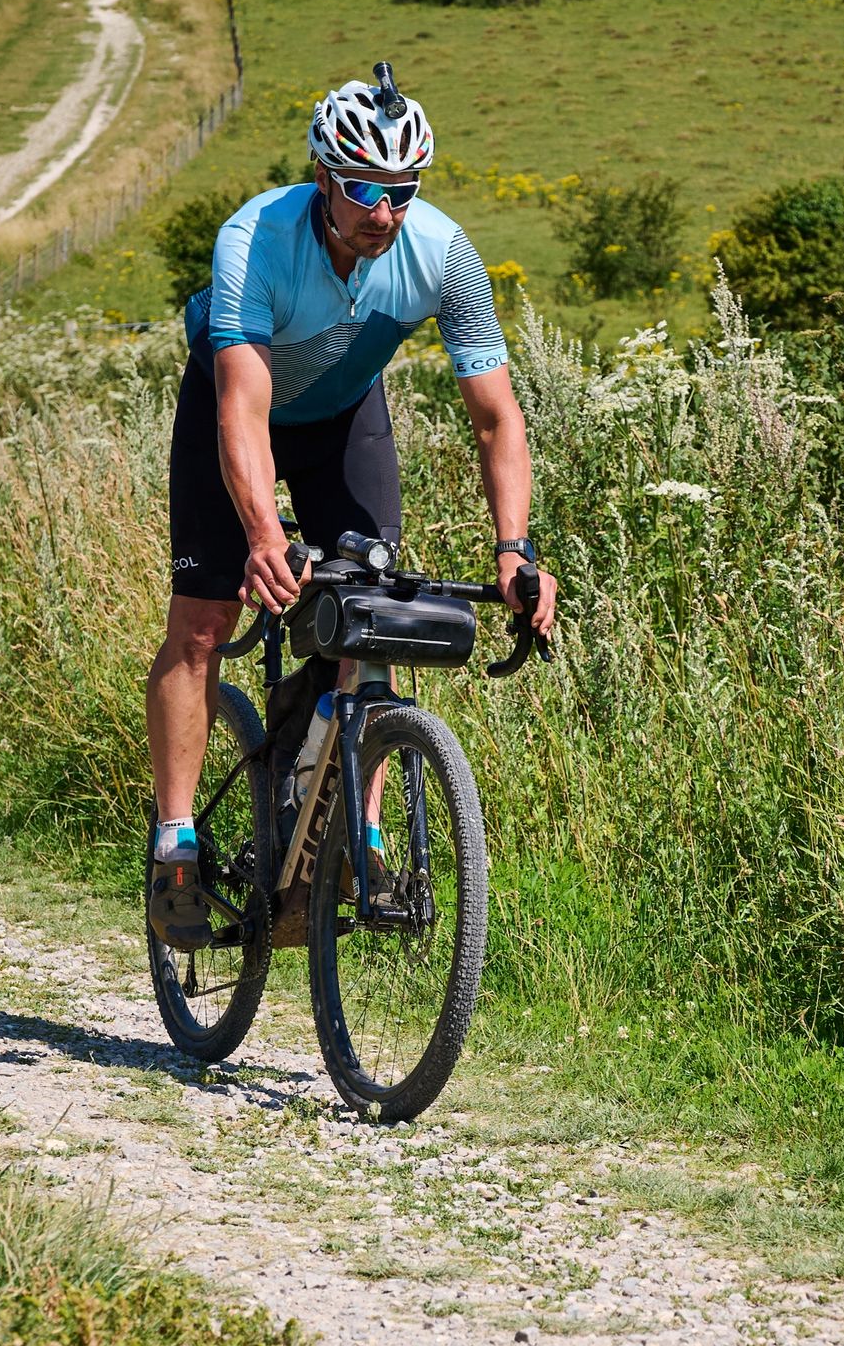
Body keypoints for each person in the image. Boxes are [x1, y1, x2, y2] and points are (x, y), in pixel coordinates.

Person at [147, 62, 559, 944]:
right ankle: (175, 838)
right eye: (364, 188)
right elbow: (243, 409)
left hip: (343, 418)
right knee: (203, 623)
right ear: (325, 178)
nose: (384, 211)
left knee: (377, 616)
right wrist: (262, 533)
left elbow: (496, 417)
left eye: (402, 189)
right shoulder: (254, 238)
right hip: (235, 407)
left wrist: (516, 549)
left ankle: (354, 831)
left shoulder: (443, 254)